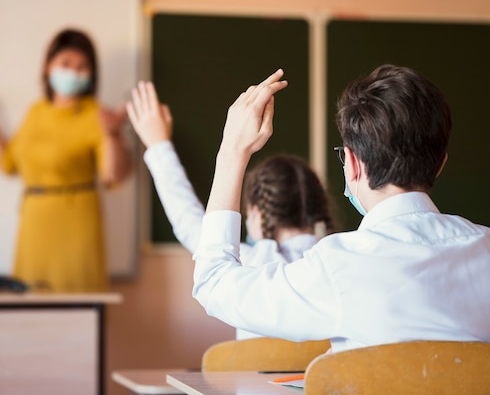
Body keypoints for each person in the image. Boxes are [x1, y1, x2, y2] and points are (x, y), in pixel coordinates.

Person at [191, 66, 490, 352]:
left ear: (353, 164)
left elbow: (214, 284)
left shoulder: (337, 267)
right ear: (440, 165)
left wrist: (231, 152)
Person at [126, 81, 335, 339]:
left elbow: (188, 221)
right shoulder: (339, 263)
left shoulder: (252, 264)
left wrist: (158, 144)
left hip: (248, 379)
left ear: (257, 212)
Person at [0, 28, 132, 293]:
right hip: (34, 225)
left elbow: (114, 175)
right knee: (30, 309)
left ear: (92, 75)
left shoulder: (97, 115)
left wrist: (113, 135)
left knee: (77, 306)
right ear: (48, 66)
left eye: (83, 67)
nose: (74, 72)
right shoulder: (36, 111)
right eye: (66, 64)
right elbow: (7, 163)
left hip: (76, 227)